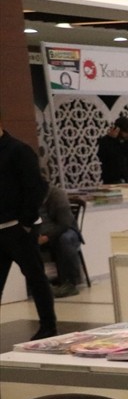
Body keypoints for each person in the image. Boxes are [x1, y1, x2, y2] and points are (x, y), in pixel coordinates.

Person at [0, 116, 57, 339]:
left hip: (18, 228)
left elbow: (36, 187)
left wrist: (25, 222)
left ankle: (48, 326)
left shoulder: (18, 151)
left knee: (35, 277)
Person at [37, 183, 84, 297]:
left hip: (65, 231)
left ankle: (70, 283)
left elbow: (65, 224)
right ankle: (38, 283)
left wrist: (47, 237)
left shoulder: (57, 194)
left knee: (64, 239)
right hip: (40, 233)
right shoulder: (29, 195)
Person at [97, 115, 128, 184]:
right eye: (126, 132)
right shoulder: (106, 142)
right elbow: (103, 157)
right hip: (112, 180)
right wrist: (111, 140)